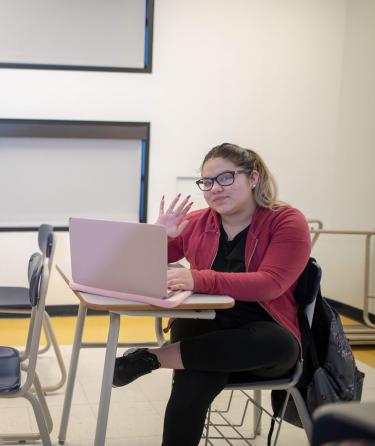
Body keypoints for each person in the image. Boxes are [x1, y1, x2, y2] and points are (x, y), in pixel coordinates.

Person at [113, 143, 311, 446]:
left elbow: (271, 283)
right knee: (197, 370)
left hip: (261, 338)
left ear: (253, 177)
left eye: (226, 178)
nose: (215, 188)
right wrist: (157, 236)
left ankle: (152, 358)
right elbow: (137, 265)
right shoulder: (195, 222)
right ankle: (160, 358)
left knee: (282, 346)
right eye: (207, 181)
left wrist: (198, 278)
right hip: (204, 324)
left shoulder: (286, 220)